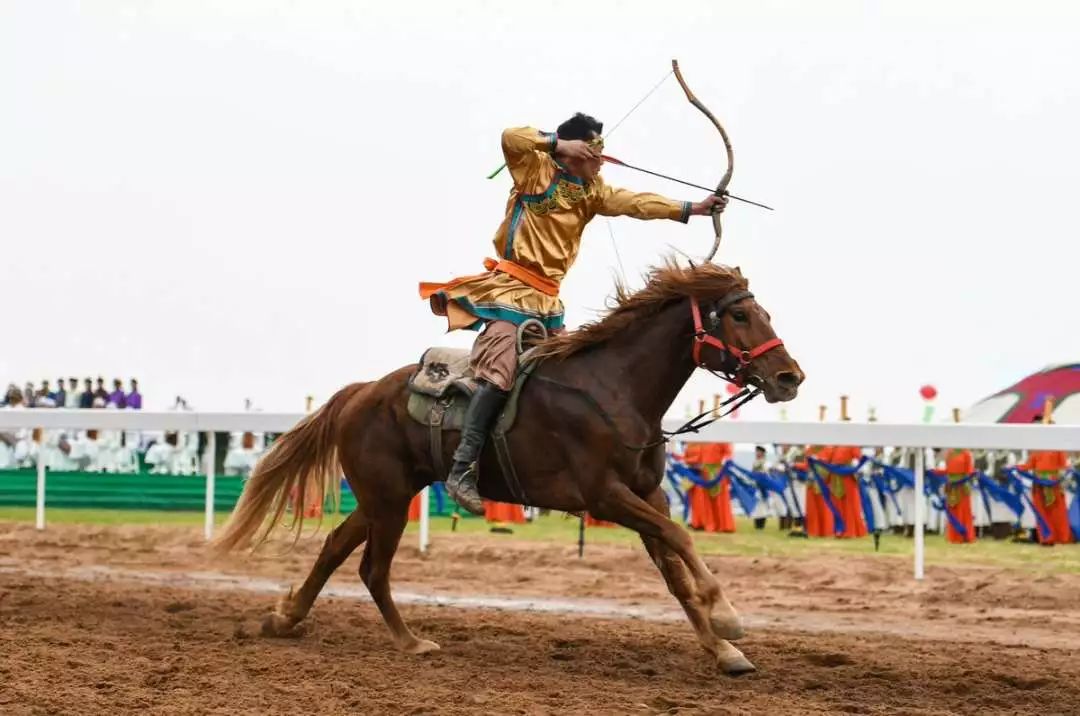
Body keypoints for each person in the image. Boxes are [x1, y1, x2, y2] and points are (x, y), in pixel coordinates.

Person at [419, 114, 727, 513]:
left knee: (562, 383)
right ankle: (462, 468)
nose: (601, 159)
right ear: (575, 151)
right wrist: (556, 144)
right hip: (510, 292)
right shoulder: (535, 171)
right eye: (593, 151)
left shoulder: (591, 191)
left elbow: (636, 203)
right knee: (498, 376)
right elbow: (511, 136)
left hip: (549, 304)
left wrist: (693, 208)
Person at [941, 447, 976, 543]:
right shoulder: (949, 452)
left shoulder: (966, 453)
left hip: (962, 485)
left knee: (963, 510)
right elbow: (947, 470)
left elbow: (970, 471)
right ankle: (953, 536)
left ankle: (965, 536)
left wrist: (965, 480)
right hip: (951, 485)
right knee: (953, 511)